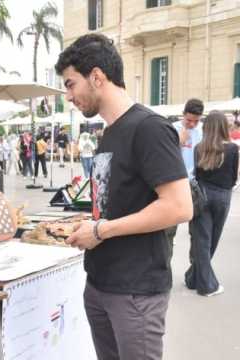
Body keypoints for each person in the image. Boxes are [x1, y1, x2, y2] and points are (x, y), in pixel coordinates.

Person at [57, 33, 192, 360]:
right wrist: (88, 223)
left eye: (71, 84)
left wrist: (100, 230)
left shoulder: (149, 127)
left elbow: (179, 206)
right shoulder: (108, 133)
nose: (68, 96)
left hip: (135, 291)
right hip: (100, 284)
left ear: (97, 77)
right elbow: (116, 204)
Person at [185, 111, 238, 296]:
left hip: (202, 194)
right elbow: (233, 178)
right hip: (222, 196)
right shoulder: (232, 149)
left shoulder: (199, 148)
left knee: (203, 241)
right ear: (224, 127)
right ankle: (206, 285)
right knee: (212, 241)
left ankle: (193, 278)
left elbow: (197, 176)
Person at [165, 99, 204, 256]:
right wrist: (178, 142)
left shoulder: (202, 132)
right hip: (174, 184)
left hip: (195, 184)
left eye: (196, 121)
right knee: (168, 230)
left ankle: (195, 274)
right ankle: (165, 267)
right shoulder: (172, 129)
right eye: (189, 120)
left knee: (198, 233)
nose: (192, 124)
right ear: (183, 115)